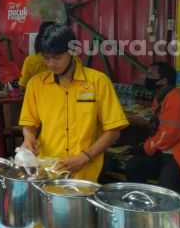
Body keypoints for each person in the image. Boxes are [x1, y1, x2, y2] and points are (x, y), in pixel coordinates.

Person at [19, 24, 128, 182]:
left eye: (57, 57)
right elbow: (29, 123)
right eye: (46, 57)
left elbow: (113, 131)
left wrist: (84, 157)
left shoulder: (98, 82)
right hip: (48, 171)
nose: (51, 64)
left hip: (86, 171)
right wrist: (28, 138)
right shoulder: (36, 84)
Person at [125, 62, 180, 193]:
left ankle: (170, 212)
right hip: (169, 149)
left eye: (150, 74)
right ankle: (143, 204)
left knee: (166, 185)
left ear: (162, 81)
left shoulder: (175, 99)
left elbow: (169, 134)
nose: (145, 77)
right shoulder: (161, 97)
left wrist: (146, 148)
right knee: (134, 167)